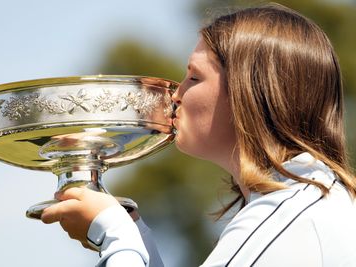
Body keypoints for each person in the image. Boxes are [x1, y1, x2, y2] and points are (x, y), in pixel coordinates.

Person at [41, 3, 356, 266]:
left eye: (194, 76)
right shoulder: (296, 204)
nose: (177, 94)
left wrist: (113, 232)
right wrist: (137, 239)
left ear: (248, 92)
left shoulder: (292, 216)